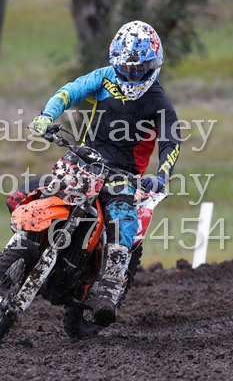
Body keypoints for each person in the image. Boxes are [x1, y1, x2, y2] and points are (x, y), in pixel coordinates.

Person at [24, 20, 181, 324]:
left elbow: (171, 141)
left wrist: (162, 175)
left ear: (153, 65)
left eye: (140, 68)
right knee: (30, 192)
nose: (132, 74)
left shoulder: (158, 101)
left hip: (124, 173)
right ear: (115, 61)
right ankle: (24, 250)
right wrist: (47, 116)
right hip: (86, 157)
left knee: (122, 219)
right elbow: (70, 92)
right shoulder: (104, 77)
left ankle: (109, 287)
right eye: (127, 68)